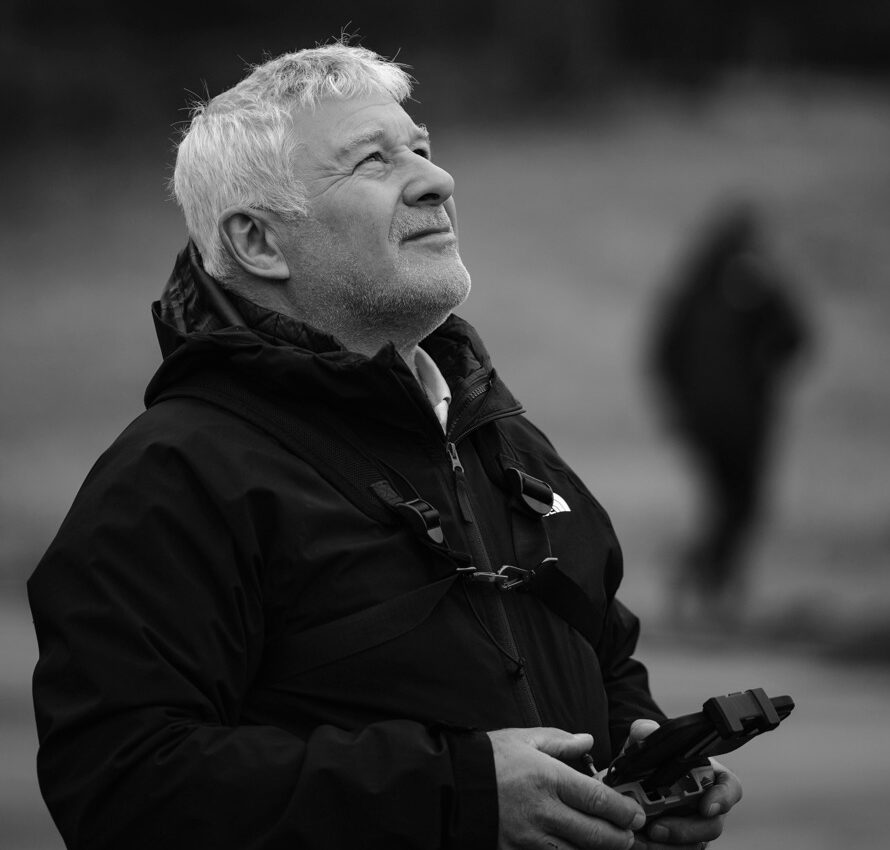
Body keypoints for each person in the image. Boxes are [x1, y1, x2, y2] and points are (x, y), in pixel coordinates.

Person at [28, 42, 741, 850]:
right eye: (373, 161)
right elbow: (122, 786)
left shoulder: (505, 440)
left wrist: (637, 753)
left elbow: (602, 652)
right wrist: (456, 794)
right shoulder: (175, 475)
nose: (437, 180)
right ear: (260, 242)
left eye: (424, 150)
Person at [649, 202, 809, 627]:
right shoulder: (714, 290)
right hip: (727, 421)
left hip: (730, 420)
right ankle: (711, 590)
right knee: (736, 506)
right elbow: (664, 355)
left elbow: (796, 337)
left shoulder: (705, 288)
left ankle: (706, 585)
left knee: (736, 507)